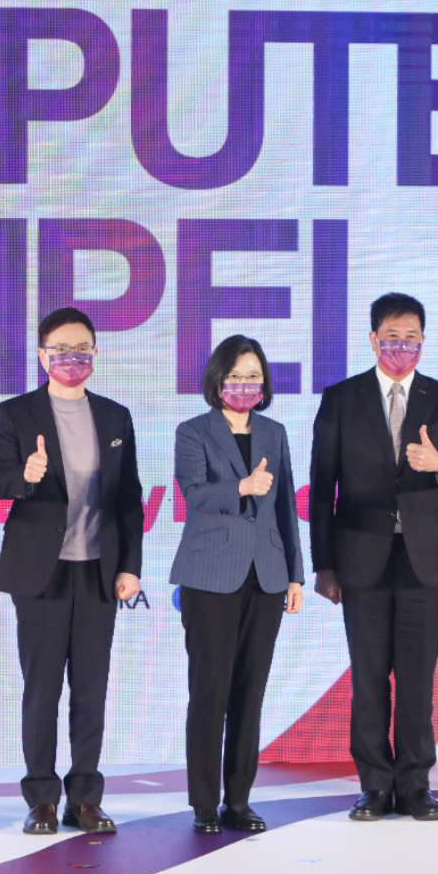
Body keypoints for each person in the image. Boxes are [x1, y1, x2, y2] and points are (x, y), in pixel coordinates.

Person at [311, 293, 438, 823]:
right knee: (368, 677)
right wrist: (324, 564)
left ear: (423, 341)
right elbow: (322, 486)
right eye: (392, 336)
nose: (402, 345)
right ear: (372, 339)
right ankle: (374, 786)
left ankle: (415, 784)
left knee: (417, 677)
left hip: (424, 558)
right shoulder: (342, 397)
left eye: (411, 337)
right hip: (360, 556)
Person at [0, 308, 144, 836]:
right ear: (42, 355)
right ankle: (41, 799)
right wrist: (26, 475)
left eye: (82, 349)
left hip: (99, 570)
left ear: (95, 353)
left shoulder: (115, 416)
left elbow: (129, 498)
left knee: (91, 688)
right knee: (42, 689)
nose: (71, 357)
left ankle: (85, 798)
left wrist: (130, 566)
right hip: (41, 573)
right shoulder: (15, 413)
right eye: (60, 349)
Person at [172, 335, 304, 834]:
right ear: (217, 380)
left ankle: (239, 801)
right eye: (235, 376)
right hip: (210, 578)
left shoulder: (274, 432)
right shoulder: (193, 431)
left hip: (266, 577)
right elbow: (194, 493)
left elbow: (286, 506)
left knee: (250, 693)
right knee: (210, 692)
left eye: (253, 377)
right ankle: (205, 804)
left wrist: (295, 574)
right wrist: (242, 487)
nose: (245, 385)